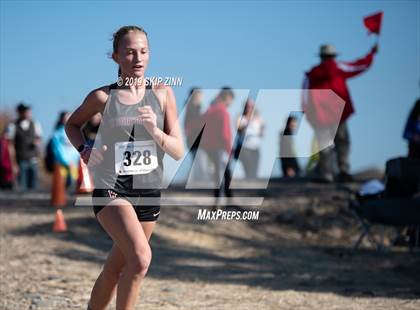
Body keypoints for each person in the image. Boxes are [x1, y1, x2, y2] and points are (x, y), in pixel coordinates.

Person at [65, 26, 184, 310]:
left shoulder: (163, 94)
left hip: (148, 191)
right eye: (130, 52)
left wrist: (156, 132)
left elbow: (178, 150)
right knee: (141, 258)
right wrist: (85, 149)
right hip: (111, 190)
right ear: (116, 56)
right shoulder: (103, 97)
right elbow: (72, 125)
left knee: (118, 267)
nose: (138, 58)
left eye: (143, 51)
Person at [303, 43, 378, 182]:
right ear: (333, 56)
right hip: (339, 113)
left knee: (324, 145)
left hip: (320, 115)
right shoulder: (338, 67)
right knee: (343, 142)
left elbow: (305, 94)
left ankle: (327, 174)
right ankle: (343, 170)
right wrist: (371, 54)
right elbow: (359, 66)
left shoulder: (312, 74)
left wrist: (307, 113)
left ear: (321, 56)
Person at [201, 87, 234, 202]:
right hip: (221, 148)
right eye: (231, 100)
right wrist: (229, 149)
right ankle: (223, 201)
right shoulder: (223, 112)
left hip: (210, 148)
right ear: (227, 98)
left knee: (219, 175)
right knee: (223, 175)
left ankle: (220, 200)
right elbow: (225, 134)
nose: (231, 103)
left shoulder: (210, 110)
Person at [6, 103, 42, 191]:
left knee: (34, 188)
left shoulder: (35, 124)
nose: (28, 113)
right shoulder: (13, 126)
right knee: (22, 188)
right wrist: (13, 163)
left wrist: (36, 143)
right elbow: (10, 145)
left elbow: (39, 138)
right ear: (20, 112)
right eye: (26, 111)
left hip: (33, 159)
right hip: (20, 160)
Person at [234, 98, 264, 179]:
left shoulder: (258, 118)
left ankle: (253, 188)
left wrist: (262, 129)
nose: (249, 108)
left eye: (251, 106)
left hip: (255, 147)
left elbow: (262, 132)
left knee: (254, 171)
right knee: (248, 169)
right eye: (248, 106)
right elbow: (238, 129)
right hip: (244, 148)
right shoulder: (240, 117)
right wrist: (247, 122)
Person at [50, 111, 80, 189]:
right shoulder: (57, 133)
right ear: (62, 119)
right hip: (62, 165)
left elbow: (78, 148)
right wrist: (66, 161)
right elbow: (57, 149)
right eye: (67, 116)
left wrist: (76, 160)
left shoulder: (77, 131)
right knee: (62, 189)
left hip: (74, 165)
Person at [183, 87, 207, 182]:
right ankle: (198, 182)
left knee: (199, 162)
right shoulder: (190, 108)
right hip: (194, 140)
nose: (201, 97)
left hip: (199, 140)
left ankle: (195, 181)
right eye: (199, 95)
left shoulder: (198, 108)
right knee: (200, 162)